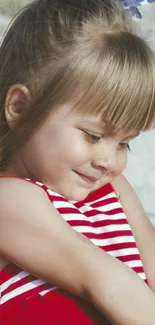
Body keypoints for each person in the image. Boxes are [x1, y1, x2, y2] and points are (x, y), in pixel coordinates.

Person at [0, 0, 155, 324]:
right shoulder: (9, 198)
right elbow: (106, 282)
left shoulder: (112, 186)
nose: (109, 161)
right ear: (19, 107)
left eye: (125, 142)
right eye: (92, 136)